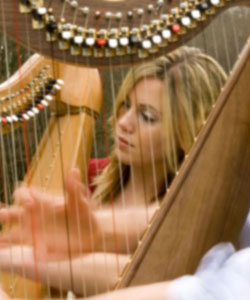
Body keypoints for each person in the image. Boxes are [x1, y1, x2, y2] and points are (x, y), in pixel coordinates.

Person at [0, 46, 249, 299]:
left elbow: (136, 276)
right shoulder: (86, 176)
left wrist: (15, 259)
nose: (123, 123)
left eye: (147, 116)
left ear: (187, 135)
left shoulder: (194, 224)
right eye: (126, 105)